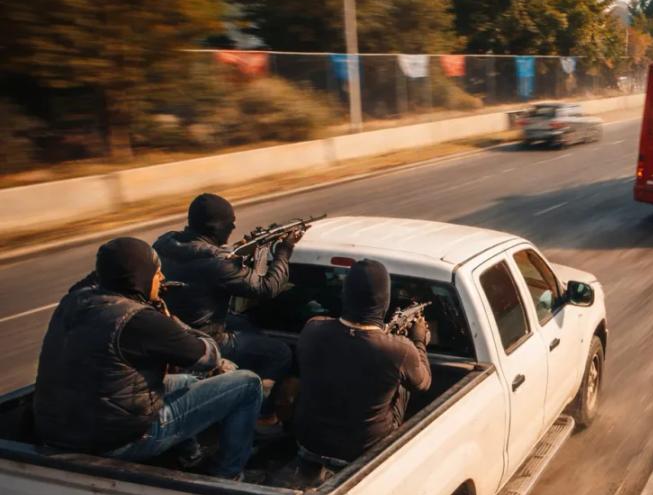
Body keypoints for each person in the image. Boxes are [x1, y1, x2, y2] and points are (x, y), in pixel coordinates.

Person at [33, 238, 262, 479]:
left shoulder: (73, 301)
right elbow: (208, 357)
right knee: (247, 384)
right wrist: (168, 316)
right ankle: (229, 474)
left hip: (57, 431)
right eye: (156, 272)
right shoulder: (140, 319)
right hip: (119, 440)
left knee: (187, 382)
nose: (162, 278)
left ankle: (190, 455)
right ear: (139, 277)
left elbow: (98, 277)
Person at [153, 193, 299, 417]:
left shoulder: (164, 244)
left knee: (246, 323)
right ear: (215, 227)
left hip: (170, 329)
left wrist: (241, 252)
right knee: (280, 353)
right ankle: (259, 411)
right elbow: (266, 288)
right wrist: (284, 252)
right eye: (230, 225)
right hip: (205, 338)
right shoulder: (217, 262)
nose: (233, 229)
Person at [294, 259, 431, 464]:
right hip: (365, 453)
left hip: (309, 443)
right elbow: (424, 383)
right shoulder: (400, 350)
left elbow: (351, 348)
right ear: (385, 302)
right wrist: (419, 341)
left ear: (345, 296)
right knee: (405, 380)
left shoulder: (312, 328)